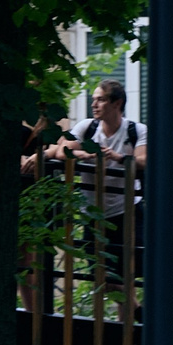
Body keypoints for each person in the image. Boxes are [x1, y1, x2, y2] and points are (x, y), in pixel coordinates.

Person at [32, 80, 147, 277]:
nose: (93, 104)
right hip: (92, 213)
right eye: (93, 100)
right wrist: (85, 155)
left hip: (126, 211)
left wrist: (118, 157)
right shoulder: (87, 127)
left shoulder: (136, 130)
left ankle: (133, 309)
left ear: (117, 103)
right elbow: (62, 151)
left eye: (100, 100)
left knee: (129, 275)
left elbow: (144, 161)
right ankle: (136, 310)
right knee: (102, 278)